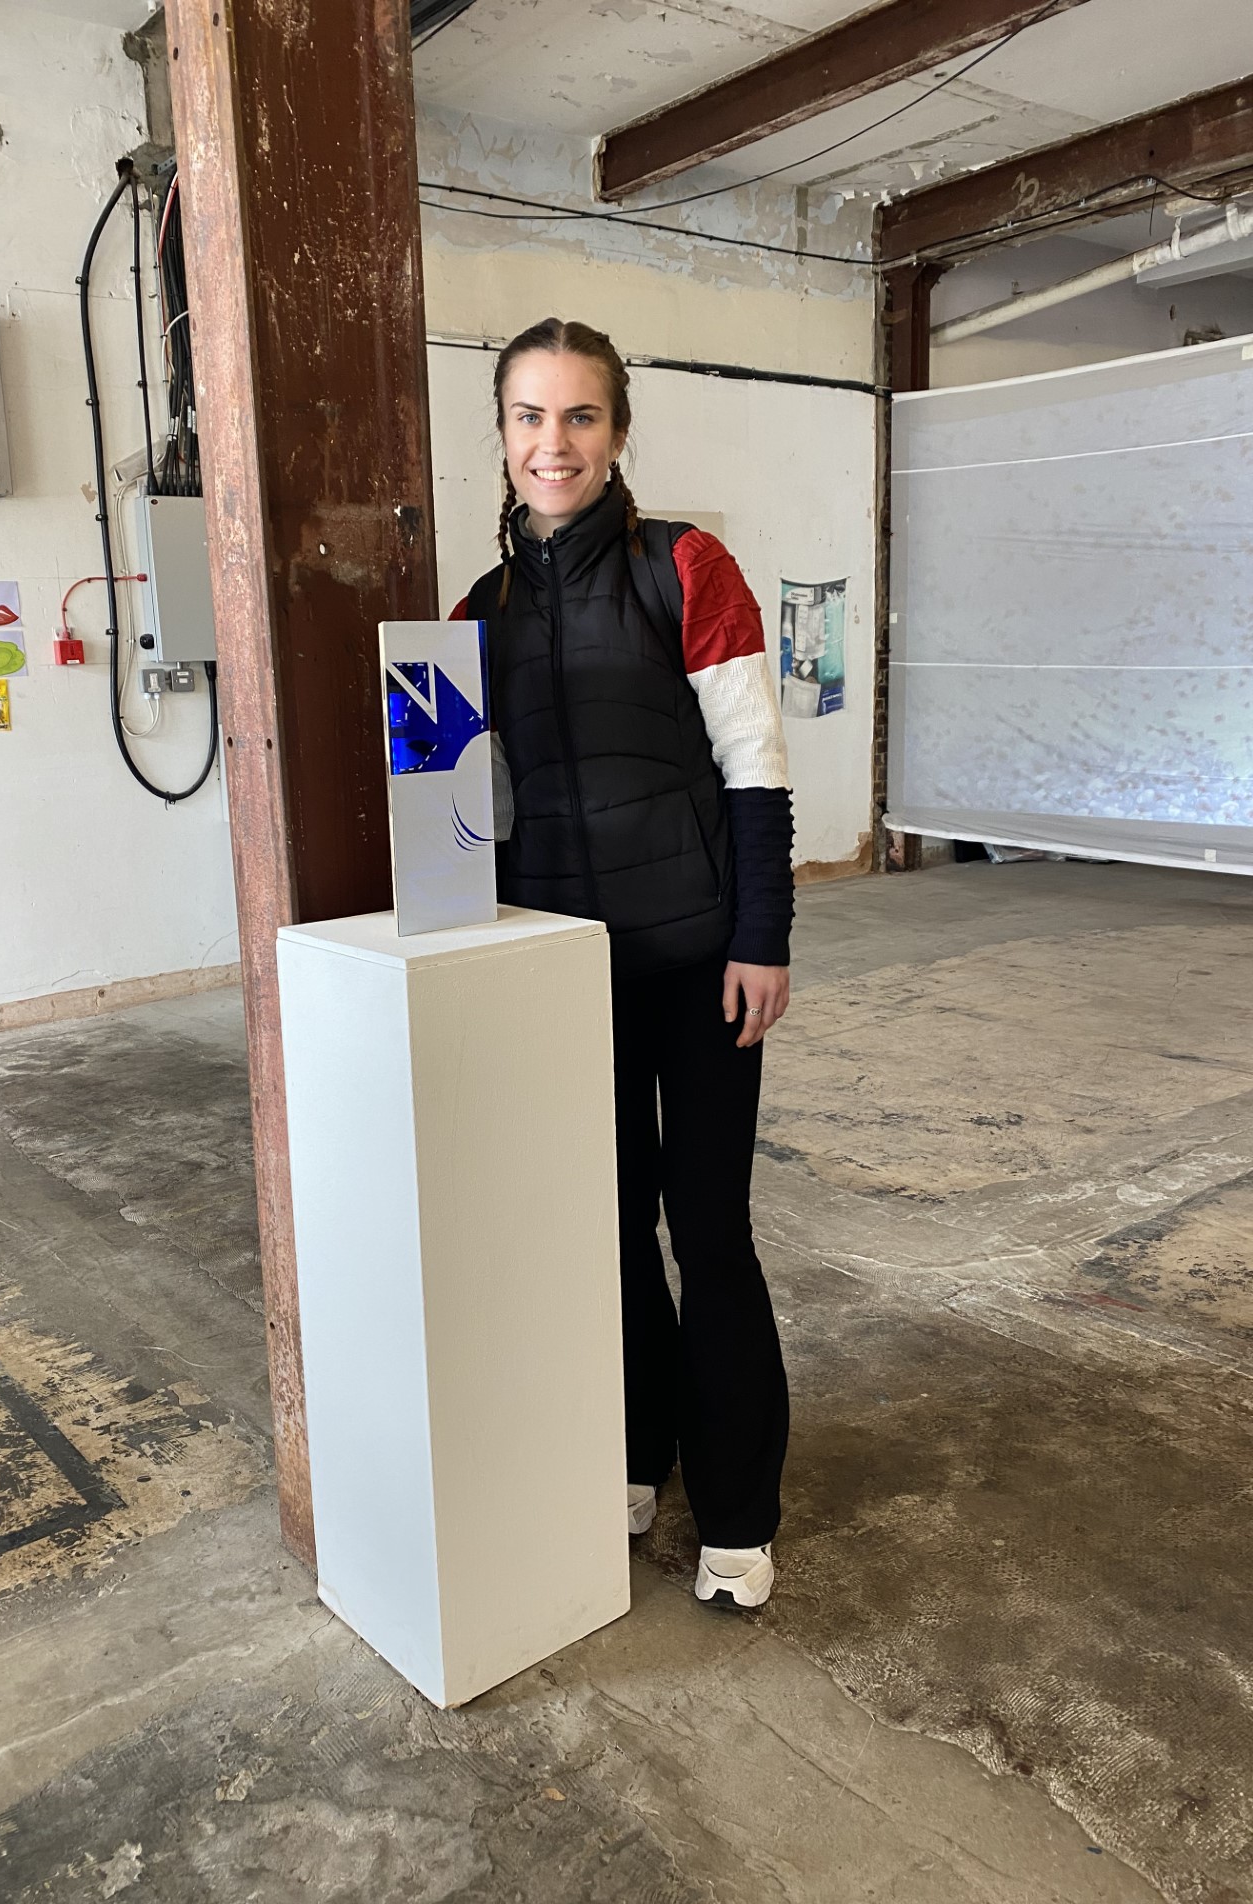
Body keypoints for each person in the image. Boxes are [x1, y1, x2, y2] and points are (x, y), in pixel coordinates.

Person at [452, 317, 793, 1610]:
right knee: (603, 1233)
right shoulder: (475, 615)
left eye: (580, 418)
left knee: (711, 1235)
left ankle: (741, 1515)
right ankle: (637, 1456)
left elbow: (756, 771)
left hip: (702, 971)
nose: (555, 444)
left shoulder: (686, 569)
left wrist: (765, 937)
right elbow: (460, 814)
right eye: (532, 418)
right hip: (558, 981)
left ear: (618, 433)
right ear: (502, 436)